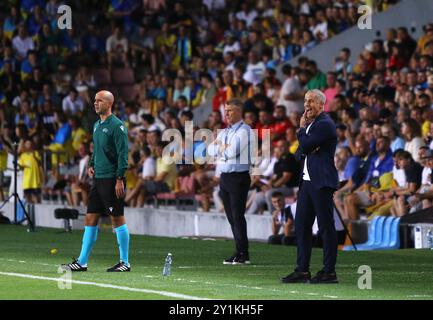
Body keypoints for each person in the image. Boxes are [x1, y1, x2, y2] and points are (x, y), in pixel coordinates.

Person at [62, 90, 130, 272]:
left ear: (109, 103)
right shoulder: (96, 125)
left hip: (111, 178)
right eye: (94, 101)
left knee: (117, 219)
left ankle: (125, 262)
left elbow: (124, 155)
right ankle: (82, 261)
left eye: (99, 101)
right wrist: (92, 163)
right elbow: (96, 149)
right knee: (90, 218)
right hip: (98, 179)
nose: (95, 103)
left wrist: (119, 179)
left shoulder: (118, 126)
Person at [281, 89, 339, 284]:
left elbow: (304, 147)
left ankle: (329, 272)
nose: (307, 105)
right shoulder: (312, 126)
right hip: (307, 182)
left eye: (312, 101)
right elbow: (299, 154)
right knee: (302, 226)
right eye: (306, 101)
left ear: (322, 105)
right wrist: (306, 140)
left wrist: (301, 131)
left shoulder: (325, 124)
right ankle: (302, 270)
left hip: (321, 182)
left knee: (325, 227)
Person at [208, 99, 254, 265]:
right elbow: (210, 150)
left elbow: (233, 152)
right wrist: (222, 147)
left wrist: (220, 147)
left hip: (238, 177)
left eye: (230, 111)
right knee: (231, 217)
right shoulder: (225, 132)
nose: (226, 114)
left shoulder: (245, 130)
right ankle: (239, 250)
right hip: (225, 178)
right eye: (225, 111)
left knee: (237, 215)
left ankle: (243, 253)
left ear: (239, 112)